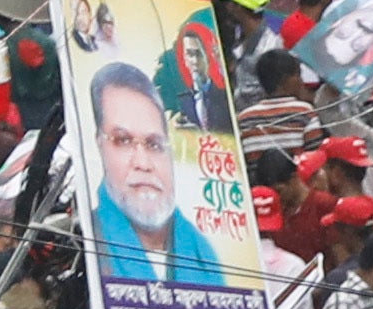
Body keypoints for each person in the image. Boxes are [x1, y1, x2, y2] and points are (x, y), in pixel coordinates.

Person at [84, 62, 253, 288]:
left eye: (154, 144)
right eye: (123, 140)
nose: (143, 164)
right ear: (99, 145)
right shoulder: (82, 246)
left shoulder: (204, 254)